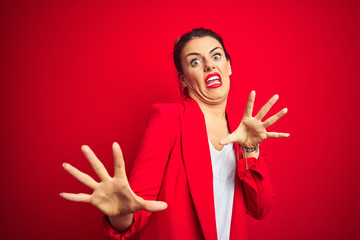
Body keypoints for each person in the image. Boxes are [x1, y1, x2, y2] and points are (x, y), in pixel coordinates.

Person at [60, 28, 289, 240]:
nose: (209, 65)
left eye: (216, 56)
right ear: (183, 79)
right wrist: (120, 215)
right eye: (196, 61)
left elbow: (260, 209)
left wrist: (251, 149)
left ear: (229, 66)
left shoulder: (243, 128)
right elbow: (137, 205)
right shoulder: (167, 119)